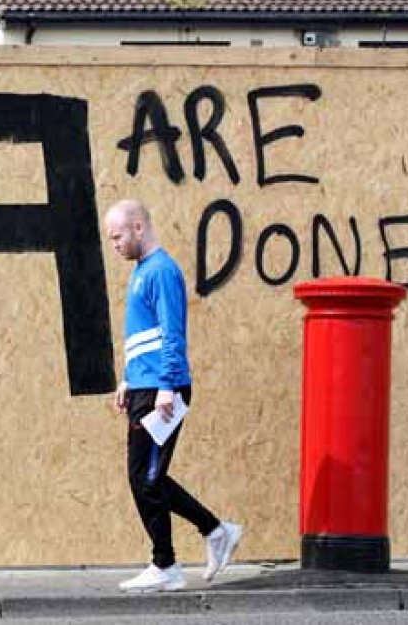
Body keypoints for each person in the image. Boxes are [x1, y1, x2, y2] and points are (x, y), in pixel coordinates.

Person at [103, 199, 242, 593]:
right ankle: (215, 532)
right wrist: (128, 379)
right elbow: (142, 335)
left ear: (138, 228)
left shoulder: (161, 271)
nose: (114, 245)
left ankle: (168, 563)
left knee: (146, 478)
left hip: (164, 389)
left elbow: (172, 333)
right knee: (146, 476)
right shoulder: (141, 272)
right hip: (145, 387)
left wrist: (165, 385)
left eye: (117, 236)